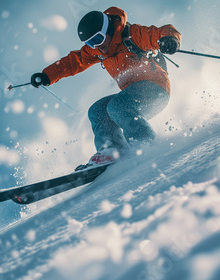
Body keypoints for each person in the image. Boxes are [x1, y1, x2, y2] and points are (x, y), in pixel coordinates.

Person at [31, 6, 181, 170]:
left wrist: (170, 39)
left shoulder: (132, 35)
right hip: (131, 94)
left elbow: (160, 32)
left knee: (117, 107)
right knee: (98, 111)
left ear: (108, 30)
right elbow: (73, 61)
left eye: (97, 39)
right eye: (89, 43)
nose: (96, 46)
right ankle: (113, 151)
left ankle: (146, 145)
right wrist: (47, 75)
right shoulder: (98, 50)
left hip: (156, 88)